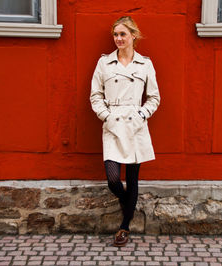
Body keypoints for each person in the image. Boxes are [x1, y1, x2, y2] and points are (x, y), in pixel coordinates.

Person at [90, 16, 160, 247]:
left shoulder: (145, 64)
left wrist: (142, 115)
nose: (118, 39)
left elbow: (154, 97)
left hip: (135, 126)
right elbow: (96, 95)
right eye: (116, 34)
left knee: (132, 178)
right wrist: (106, 116)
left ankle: (124, 227)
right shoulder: (104, 63)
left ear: (133, 36)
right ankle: (127, 201)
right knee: (113, 179)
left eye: (123, 34)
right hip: (113, 124)